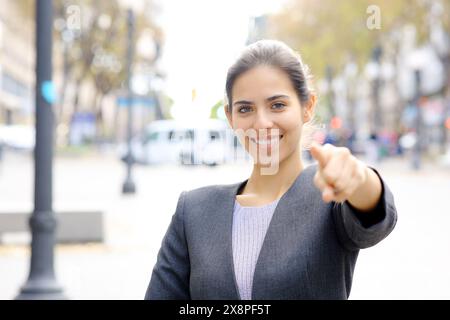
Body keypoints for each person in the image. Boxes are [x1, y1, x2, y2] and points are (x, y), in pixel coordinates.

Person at [145, 40, 397, 300]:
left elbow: (374, 215)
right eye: (245, 109)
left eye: (277, 105)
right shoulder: (194, 211)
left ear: (307, 106)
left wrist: (359, 179)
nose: (262, 122)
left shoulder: (330, 197)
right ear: (231, 117)